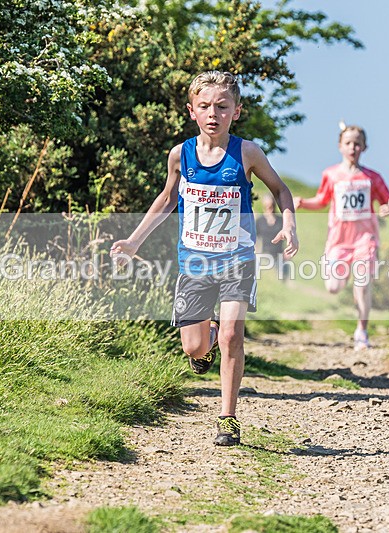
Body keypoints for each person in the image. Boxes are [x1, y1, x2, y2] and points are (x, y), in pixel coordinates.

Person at [110, 71, 298, 446]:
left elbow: (280, 189)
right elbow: (166, 199)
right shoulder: (181, 155)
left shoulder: (247, 152)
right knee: (194, 348)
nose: (214, 113)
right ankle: (206, 338)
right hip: (195, 262)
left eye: (222, 107)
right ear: (192, 111)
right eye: (205, 106)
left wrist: (289, 224)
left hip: (237, 260)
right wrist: (133, 242)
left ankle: (228, 418)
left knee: (232, 335)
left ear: (237, 111)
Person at [294, 123, 389, 350]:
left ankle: (362, 331)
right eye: (348, 143)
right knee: (333, 287)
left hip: (365, 239)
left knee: (362, 284)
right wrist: (302, 202)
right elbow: (321, 200)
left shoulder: (372, 178)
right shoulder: (331, 175)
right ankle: (337, 268)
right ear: (340, 146)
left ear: (364, 147)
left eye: (357, 144)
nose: (353, 148)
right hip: (339, 241)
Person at [255, 194, 290, 281]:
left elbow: (289, 237)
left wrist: (287, 252)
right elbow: (255, 239)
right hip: (265, 255)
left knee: (282, 277)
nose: (269, 208)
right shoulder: (260, 221)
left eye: (271, 206)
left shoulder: (281, 220)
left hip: (279, 255)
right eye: (267, 206)